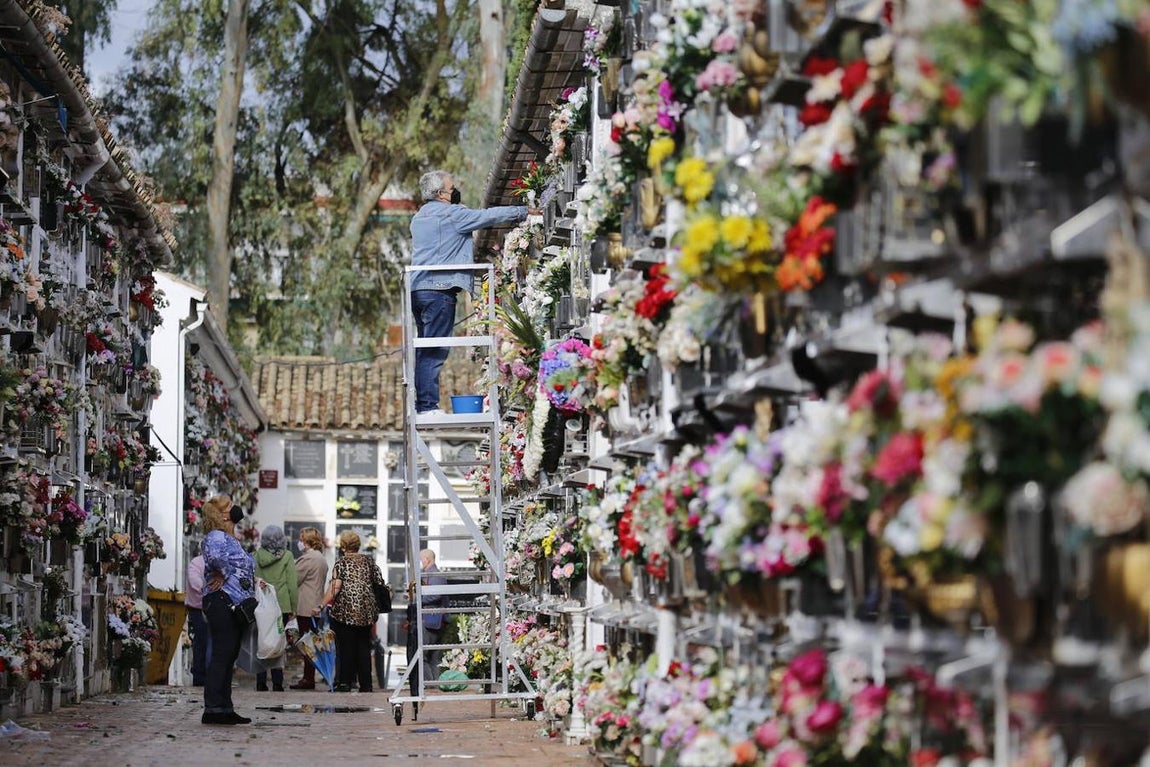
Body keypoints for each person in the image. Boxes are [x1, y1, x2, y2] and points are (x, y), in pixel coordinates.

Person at [409, 169, 539, 415]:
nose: (455, 190)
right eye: (451, 187)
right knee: (435, 350)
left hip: (417, 290)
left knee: (425, 349)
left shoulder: (418, 218)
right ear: (440, 194)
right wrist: (522, 212)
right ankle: (427, 406)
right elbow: (487, 216)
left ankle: (422, 404)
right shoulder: (452, 214)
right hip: (440, 290)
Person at [200, 495, 255, 725]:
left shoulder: (231, 539)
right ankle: (213, 708)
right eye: (230, 507)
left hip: (234, 601)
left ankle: (225, 706)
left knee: (229, 653)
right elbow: (215, 557)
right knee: (222, 654)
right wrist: (222, 572)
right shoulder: (216, 536)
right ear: (222, 515)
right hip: (222, 600)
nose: (235, 509)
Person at [314, 531, 384, 693]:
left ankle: (345, 683)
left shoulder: (341, 563)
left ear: (343, 547)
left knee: (346, 648)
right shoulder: (369, 562)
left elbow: (335, 588)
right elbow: (378, 583)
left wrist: (321, 605)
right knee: (364, 648)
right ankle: (366, 684)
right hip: (366, 613)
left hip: (345, 612)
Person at [253, 525, 298, 691]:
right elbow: (292, 585)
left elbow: (253, 580)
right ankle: (277, 683)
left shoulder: (256, 556)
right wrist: (294, 607)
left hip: (262, 605)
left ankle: (261, 681)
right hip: (282, 605)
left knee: (263, 641)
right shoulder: (287, 556)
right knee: (279, 641)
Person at [290, 526, 329, 690]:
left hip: (305, 606)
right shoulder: (321, 558)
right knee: (310, 643)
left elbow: (294, 579)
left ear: (306, 541)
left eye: (301, 539)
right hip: (315, 604)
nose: (299, 542)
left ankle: (308, 678)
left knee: (306, 644)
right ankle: (308, 676)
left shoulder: (308, 558)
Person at [418, 548, 447, 680]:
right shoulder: (433, 574)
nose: (420, 563)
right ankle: (434, 683)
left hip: (431, 620)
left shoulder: (435, 575)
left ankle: (429, 684)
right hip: (433, 619)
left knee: (423, 655)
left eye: (421, 560)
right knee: (433, 656)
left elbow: (435, 595)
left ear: (427, 560)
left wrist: (417, 599)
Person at [185, 547, 210, 687]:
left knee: (209, 642)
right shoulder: (197, 563)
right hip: (198, 608)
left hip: (213, 608)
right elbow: (195, 583)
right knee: (201, 642)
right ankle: (200, 677)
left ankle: (208, 675)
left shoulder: (218, 563)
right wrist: (211, 588)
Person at [401, 581, 421, 721]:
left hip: (417, 630)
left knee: (416, 667)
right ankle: (415, 702)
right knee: (414, 668)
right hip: (414, 629)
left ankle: (416, 700)